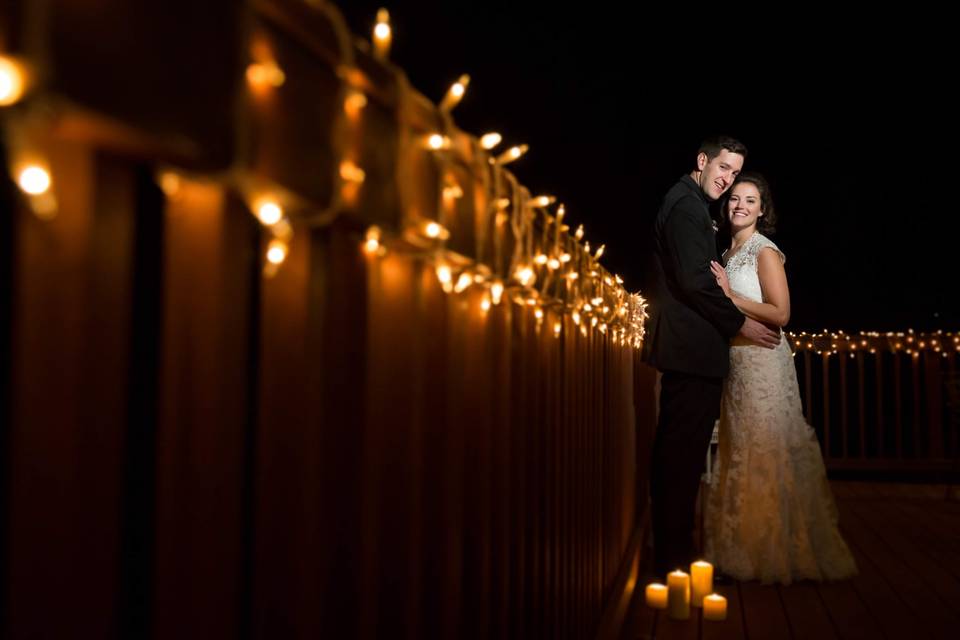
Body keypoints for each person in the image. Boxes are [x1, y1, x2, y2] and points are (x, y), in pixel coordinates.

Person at [704, 172, 857, 584]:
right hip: (736, 365)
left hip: (763, 363)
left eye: (750, 200)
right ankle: (740, 545)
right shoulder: (729, 250)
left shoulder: (764, 252)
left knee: (765, 448)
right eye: (735, 198)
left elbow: (781, 313)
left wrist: (729, 295)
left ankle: (766, 551)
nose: (740, 206)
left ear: (762, 209)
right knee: (741, 448)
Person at [645, 137, 780, 578]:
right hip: (690, 350)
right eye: (723, 168)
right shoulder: (685, 205)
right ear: (702, 161)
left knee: (681, 455)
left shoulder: (689, 203)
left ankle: (674, 552)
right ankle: (671, 559)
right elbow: (694, 283)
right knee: (680, 457)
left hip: (693, 351)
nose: (726, 179)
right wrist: (739, 324)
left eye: (735, 173)